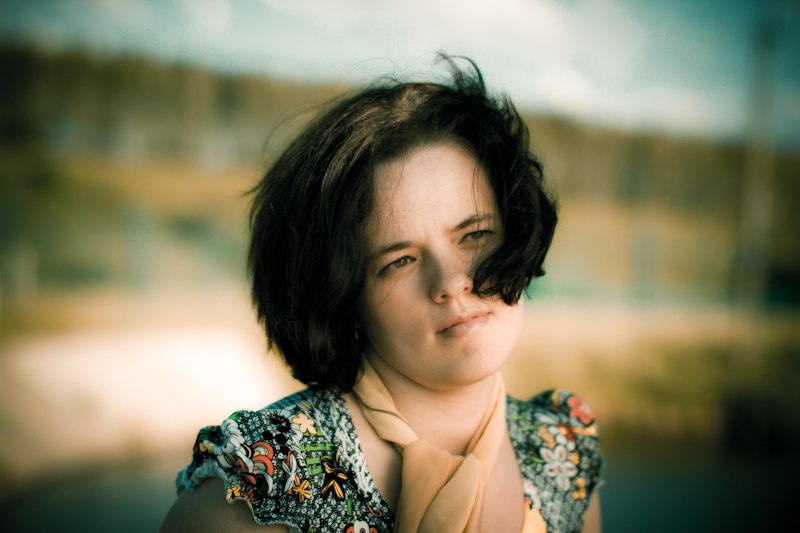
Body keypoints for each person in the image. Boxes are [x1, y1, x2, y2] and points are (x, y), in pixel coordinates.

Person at [161, 56, 603, 533]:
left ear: (517, 232)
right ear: (344, 298)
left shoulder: (563, 452)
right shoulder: (261, 483)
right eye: (399, 261)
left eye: (474, 235)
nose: (451, 282)